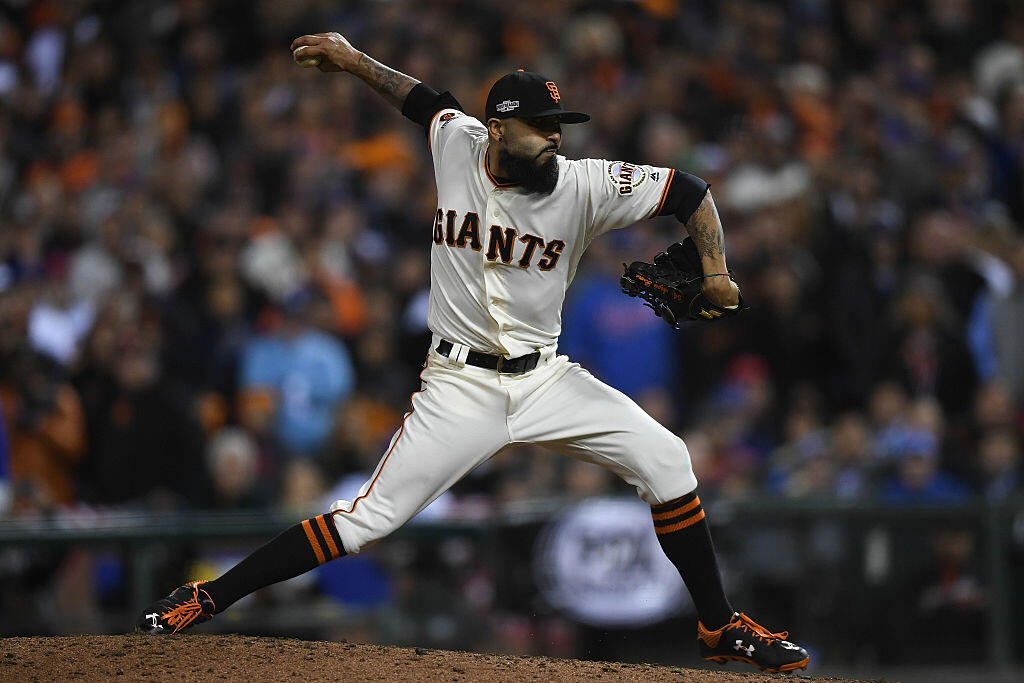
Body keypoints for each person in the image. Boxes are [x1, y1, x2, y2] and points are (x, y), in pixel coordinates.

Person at [135, 32, 809, 673]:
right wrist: (351, 59)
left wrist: (716, 270)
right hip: (458, 387)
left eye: (558, 125)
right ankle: (210, 596)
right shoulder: (456, 140)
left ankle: (719, 626)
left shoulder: (585, 183)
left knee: (667, 458)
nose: (553, 138)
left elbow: (690, 192)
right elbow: (419, 97)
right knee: (367, 520)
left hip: (546, 379)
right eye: (541, 125)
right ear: (497, 130)